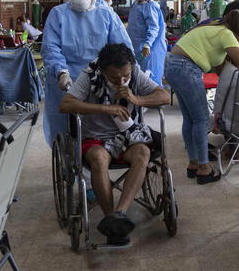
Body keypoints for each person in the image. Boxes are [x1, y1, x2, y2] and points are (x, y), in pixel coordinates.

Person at [59, 43, 170, 245]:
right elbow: (66, 104)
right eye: (114, 77)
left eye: (125, 76)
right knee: (99, 158)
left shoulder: (134, 71)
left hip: (128, 135)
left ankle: (119, 215)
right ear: (102, 71)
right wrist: (105, 108)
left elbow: (164, 96)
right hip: (96, 137)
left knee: (143, 153)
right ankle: (110, 217)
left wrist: (136, 99)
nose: (121, 81)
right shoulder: (89, 75)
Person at [165, 8, 239, 184]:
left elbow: (236, 58)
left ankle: (194, 163)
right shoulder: (226, 34)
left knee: (190, 119)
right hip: (186, 69)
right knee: (202, 119)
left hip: (173, 65)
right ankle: (204, 169)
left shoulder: (215, 27)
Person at [41, 0, 133, 146]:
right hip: (65, 81)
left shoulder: (106, 15)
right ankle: (68, 159)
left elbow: (122, 48)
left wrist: (127, 75)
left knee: (98, 126)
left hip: (100, 80)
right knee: (64, 127)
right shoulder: (58, 14)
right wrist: (61, 72)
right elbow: (51, 47)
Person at [126, 0, 167, 85]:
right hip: (137, 47)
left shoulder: (151, 6)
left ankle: (154, 100)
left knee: (151, 79)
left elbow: (153, 27)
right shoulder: (135, 5)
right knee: (139, 79)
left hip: (149, 49)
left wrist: (147, 44)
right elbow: (133, 26)